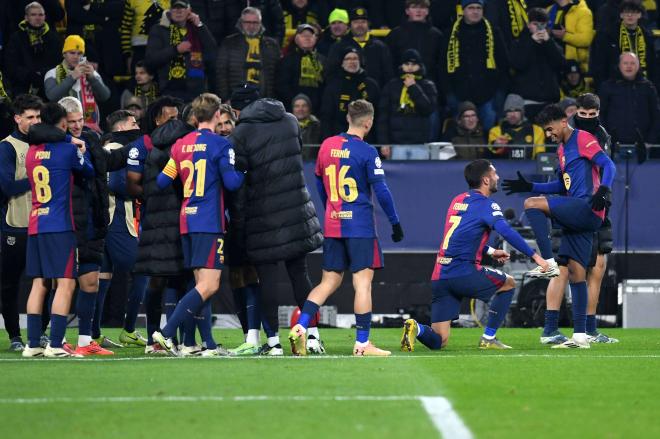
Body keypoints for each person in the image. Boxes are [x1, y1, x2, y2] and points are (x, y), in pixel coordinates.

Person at [289, 99, 403, 357]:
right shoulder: (367, 152)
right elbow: (382, 191)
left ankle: (300, 326)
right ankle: (362, 344)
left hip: (333, 223)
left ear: (348, 119)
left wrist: (331, 206)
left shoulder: (327, 145)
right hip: (360, 226)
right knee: (362, 283)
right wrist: (395, 222)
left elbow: (318, 182)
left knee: (328, 281)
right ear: (368, 122)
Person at [400, 159, 549, 351]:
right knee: (508, 283)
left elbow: (459, 237)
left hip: (440, 275)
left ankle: (417, 328)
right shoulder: (487, 205)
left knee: (439, 340)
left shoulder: (457, 201)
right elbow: (506, 231)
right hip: (463, 272)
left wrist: (491, 251)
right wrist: (535, 256)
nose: (498, 177)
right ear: (486, 180)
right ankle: (489, 338)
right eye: (494, 174)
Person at [502, 103, 616, 348]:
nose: (549, 134)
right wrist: (530, 185)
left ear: (564, 121)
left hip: (586, 207)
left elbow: (609, 165)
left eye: (550, 129)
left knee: (532, 205)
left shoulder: (583, 138)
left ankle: (547, 263)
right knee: (576, 273)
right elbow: (561, 186)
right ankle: (580, 337)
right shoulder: (563, 150)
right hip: (580, 214)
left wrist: (604, 189)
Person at [229, 87, 324, 355]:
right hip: (296, 211)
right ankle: (313, 336)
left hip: (263, 217)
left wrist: (238, 224)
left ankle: (274, 344)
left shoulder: (241, 133)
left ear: (240, 108)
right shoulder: (291, 121)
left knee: (267, 281)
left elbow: (241, 185)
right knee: (300, 275)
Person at [152, 93, 245, 356]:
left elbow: (161, 181)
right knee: (209, 285)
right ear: (217, 115)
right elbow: (232, 183)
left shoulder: (181, 145)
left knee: (200, 286)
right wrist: (243, 171)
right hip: (209, 221)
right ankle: (167, 333)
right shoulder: (221, 146)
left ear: (194, 117)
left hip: (187, 219)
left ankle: (202, 345)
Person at [541, 92, 618, 345]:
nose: (586, 119)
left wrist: (603, 192)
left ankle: (589, 330)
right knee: (562, 268)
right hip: (574, 207)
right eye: (582, 115)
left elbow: (607, 167)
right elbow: (563, 178)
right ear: (573, 115)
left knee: (597, 268)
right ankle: (551, 328)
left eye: (591, 115)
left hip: (598, 208)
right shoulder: (566, 139)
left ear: (598, 113)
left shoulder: (604, 137)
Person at [22, 102, 94, 358]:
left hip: (36, 223)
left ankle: (32, 345)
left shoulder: (31, 152)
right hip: (59, 226)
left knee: (39, 283)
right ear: (62, 123)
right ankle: (55, 344)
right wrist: (80, 149)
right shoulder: (66, 150)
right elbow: (88, 170)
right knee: (65, 283)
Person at [0, 94, 43, 351]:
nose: (36, 121)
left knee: (47, 281)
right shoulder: (7, 147)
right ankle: (15, 336)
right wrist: (39, 176)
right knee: (10, 283)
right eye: (30, 117)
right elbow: (6, 186)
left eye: (38, 116)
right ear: (17, 119)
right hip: (15, 224)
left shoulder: (44, 143)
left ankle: (41, 333)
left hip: (43, 224)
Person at [442, 0, 508, 132]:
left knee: (489, 135)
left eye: (479, 8)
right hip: (459, 95)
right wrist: (449, 94)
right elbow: (442, 66)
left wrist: (499, 94)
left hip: (488, 96)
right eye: (471, 8)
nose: (475, 11)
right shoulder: (451, 34)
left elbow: (504, 63)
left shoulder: (494, 32)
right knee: (460, 136)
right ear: (463, 10)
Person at [145, 0, 217, 102]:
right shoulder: (159, 29)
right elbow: (150, 60)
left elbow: (212, 52)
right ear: (169, 11)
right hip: (169, 90)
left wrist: (200, 26)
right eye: (175, 8)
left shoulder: (198, 28)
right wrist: (176, 50)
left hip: (196, 90)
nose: (178, 11)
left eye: (182, 8)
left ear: (189, 10)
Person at [377, 49, 438, 158]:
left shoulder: (428, 85)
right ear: (402, 66)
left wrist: (413, 88)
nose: (410, 67)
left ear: (420, 66)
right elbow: (383, 117)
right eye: (407, 64)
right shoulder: (391, 86)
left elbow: (428, 109)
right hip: (397, 145)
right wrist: (384, 142)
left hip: (419, 144)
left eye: (413, 64)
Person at [44, 35, 111, 132]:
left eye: (80, 53)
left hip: (89, 129)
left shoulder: (90, 72)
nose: (76, 57)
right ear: (64, 54)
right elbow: (52, 96)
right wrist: (72, 77)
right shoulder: (52, 73)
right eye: (72, 53)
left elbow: (105, 96)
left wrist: (92, 78)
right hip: (62, 129)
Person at [508, 7, 565, 121]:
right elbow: (518, 65)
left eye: (542, 23)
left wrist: (548, 42)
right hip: (527, 101)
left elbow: (561, 65)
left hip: (550, 102)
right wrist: (531, 42)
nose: (539, 27)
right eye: (535, 23)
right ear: (528, 25)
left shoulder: (552, 44)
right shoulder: (518, 43)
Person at [216, 7, 280, 101]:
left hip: (265, 101)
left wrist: (273, 99)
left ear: (260, 23)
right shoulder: (229, 43)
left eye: (255, 22)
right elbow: (221, 73)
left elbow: (277, 76)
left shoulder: (272, 45)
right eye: (247, 22)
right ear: (241, 23)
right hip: (236, 100)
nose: (251, 26)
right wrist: (226, 98)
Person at [590, 2, 656, 90]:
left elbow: (653, 64)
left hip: (641, 86)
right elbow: (600, 63)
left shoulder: (647, 37)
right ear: (621, 15)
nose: (629, 15)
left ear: (640, 15)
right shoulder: (607, 35)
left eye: (634, 12)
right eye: (626, 12)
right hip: (615, 86)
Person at [599, 52, 660, 146]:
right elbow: (600, 115)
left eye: (632, 63)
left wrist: (650, 140)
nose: (629, 66)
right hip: (613, 145)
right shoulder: (607, 86)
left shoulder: (648, 87)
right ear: (619, 65)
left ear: (638, 66)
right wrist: (606, 139)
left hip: (643, 145)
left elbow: (656, 115)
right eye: (625, 63)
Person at [4, 2, 63, 98]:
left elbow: (58, 63)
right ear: (26, 17)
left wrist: (42, 75)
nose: (37, 17)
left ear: (45, 17)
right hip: (22, 85)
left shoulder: (53, 38)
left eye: (40, 14)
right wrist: (30, 75)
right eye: (33, 14)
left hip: (47, 83)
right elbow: (10, 65)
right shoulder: (16, 38)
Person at [320, 47, 379, 141]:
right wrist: (327, 139)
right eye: (348, 59)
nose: (352, 62)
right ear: (342, 63)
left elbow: (378, 115)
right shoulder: (334, 86)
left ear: (360, 61)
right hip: (339, 138)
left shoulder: (371, 85)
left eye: (355, 58)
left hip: (366, 138)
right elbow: (327, 117)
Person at [326, 7, 394, 88]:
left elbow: (388, 76)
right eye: (356, 22)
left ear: (368, 24)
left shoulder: (380, 47)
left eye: (363, 22)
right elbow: (331, 75)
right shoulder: (338, 47)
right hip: (347, 95)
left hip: (375, 96)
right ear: (349, 25)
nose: (360, 25)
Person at [385, 0, 444, 86]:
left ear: (427, 11)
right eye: (414, 7)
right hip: (400, 85)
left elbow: (440, 65)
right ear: (407, 11)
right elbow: (389, 64)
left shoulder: (437, 35)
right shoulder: (395, 34)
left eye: (422, 7)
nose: (418, 11)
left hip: (430, 86)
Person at [276, 23, 325, 113]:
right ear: (296, 39)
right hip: (293, 108)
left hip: (317, 109)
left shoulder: (323, 60)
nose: (307, 38)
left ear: (315, 39)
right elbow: (282, 85)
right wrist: (297, 102)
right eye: (304, 35)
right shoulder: (287, 60)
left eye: (311, 35)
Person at [488, 94, 545, 160]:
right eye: (509, 111)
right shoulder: (495, 131)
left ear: (522, 112)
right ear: (505, 113)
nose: (512, 114)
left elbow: (540, 156)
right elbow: (492, 154)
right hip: (504, 169)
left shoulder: (537, 130)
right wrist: (496, 145)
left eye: (516, 110)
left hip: (530, 169)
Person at [119, 0, 169, 73]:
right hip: (139, 50)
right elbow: (125, 28)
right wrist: (127, 55)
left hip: (162, 49)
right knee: (138, 80)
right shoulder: (132, 1)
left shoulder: (171, 2)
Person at [547, 0, 595, 74]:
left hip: (574, 67)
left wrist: (564, 36)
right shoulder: (549, 10)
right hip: (551, 64)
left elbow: (586, 40)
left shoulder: (582, 11)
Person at [292, 93, 321, 160]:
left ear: (309, 108)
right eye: (297, 106)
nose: (300, 109)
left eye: (304, 106)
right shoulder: (286, 127)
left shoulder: (318, 126)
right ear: (293, 109)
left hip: (312, 166)